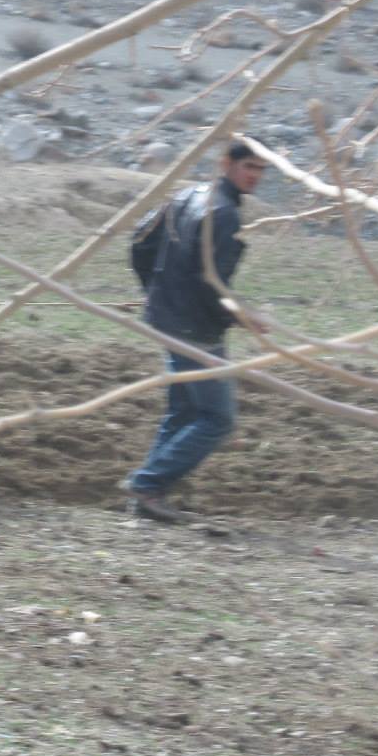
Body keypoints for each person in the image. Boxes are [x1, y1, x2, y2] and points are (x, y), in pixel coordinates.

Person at [122, 141, 269, 522]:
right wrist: (242, 317)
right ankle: (148, 484)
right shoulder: (223, 214)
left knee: (183, 410)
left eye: (260, 169)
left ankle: (147, 493)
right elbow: (211, 284)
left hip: (168, 319)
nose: (254, 175)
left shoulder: (188, 195)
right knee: (217, 420)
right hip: (196, 329)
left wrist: (155, 292)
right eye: (248, 166)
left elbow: (140, 240)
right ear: (226, 163)